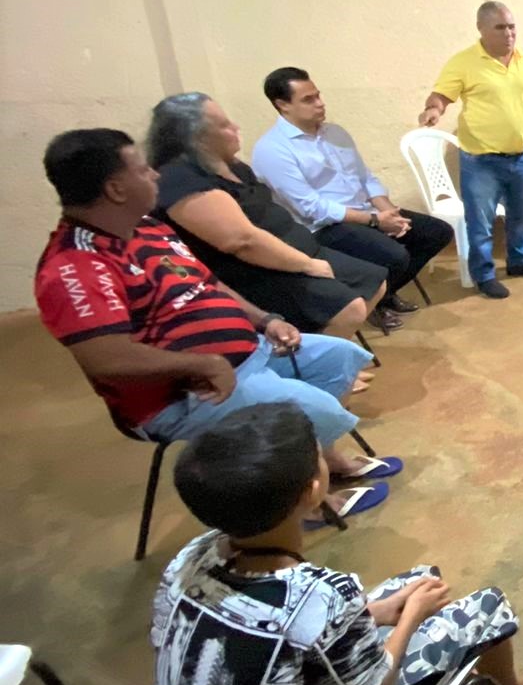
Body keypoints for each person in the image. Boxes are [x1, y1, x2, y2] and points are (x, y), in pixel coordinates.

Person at [36, 129, 396, 505]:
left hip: (244, 353)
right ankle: (297, 503)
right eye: (143, 171)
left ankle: (316, 463)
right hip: (182, 394)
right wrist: (203, 364)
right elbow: (106, 359)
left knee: (339, 357)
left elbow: (207, 283)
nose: (155, 176)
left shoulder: (147, 227)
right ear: (116, 189)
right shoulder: (74, 267)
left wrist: (265, 320)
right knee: (310, 410)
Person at [153, 404, 523, 685]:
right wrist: (409, 617)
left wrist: (374, 613)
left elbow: (293, 635)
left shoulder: (188, 561)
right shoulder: (323, 596)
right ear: (313, 489)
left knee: (421, 579)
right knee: (487, 607)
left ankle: (458, 680)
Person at [148, 93, 388, 338]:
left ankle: (332, 358)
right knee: (350, 309)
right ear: (196, 138)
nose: (235, 127)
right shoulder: (179, 179)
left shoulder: (231, 165)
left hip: (297, 252)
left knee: (375, 282)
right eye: (224, 125)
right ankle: (319, 366)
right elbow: (241, 241)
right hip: (254, 271)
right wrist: (307, 264)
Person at [253, 67, 453, 326]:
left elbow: (365, 178)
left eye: (318, 95)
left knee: (436, 232)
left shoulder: (335, 133)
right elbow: (311, 208)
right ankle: (370, 301)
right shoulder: (272, 150)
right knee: (394, 255)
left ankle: (382, 294)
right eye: (308, 99)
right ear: (282, 105)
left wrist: (389, 212)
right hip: (324, 226)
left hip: (365, 212)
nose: (320, 103)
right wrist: (375, 220)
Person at [417, 1, 523, 300]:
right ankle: (485, 275)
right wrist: (433, 110)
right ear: (481, 29)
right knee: (481, 223)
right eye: (500, 28)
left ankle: (519, 261)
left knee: (522, 216)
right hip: (481, 161)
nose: (509, 34)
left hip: (521, 156)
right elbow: (441, 95)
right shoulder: (463, 62)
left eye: (512, 26)